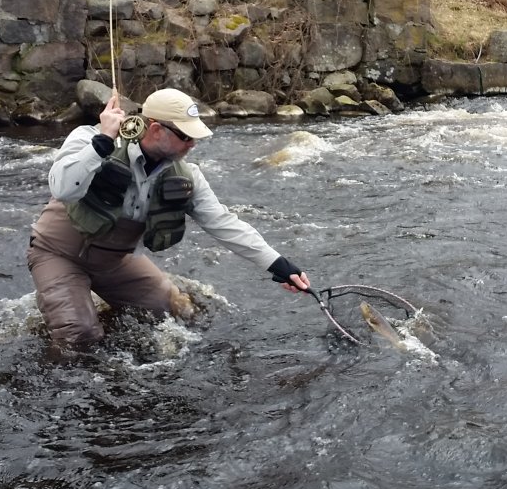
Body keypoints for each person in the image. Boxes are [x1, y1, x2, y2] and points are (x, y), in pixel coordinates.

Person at [27, 88, 310, 348]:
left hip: (115, 262)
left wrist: (279, 265)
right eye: (185, 136)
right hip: (59, 254)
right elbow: (61, 187)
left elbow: (224, 223)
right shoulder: (89, 139)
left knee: (178, 313)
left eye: (195, 136)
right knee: (80, 336)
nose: (193, 144)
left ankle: (91, 306)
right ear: (155, 130)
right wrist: (101, 143)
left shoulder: (187, 177)